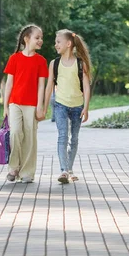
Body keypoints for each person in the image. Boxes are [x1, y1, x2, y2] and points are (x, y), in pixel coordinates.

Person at [43, 29, 92, 184]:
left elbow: (86, 86)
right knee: (63, 136)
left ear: (68, 44)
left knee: (74, 139)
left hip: (77, 106)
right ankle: (64, 170)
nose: (55, 44)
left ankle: (69, 168)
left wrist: (86, 107)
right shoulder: (54, 63)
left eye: (58, 42)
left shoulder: (80, 64)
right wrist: (44, 108)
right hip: (60, 105)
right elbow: (49, 86)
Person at [3, 24, 48, 183]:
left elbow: (41, 85)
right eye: (37, 37)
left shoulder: (41, 61)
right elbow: (9, 83)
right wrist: (5, 106)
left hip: (32, 105)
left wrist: (40, 106)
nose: (40, 40)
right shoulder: (14, 58)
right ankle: (14, 167)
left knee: (30, 138)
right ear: (26, 39)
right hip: (14, 103)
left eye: (41, 38)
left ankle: (27, 172)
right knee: (15, 133)